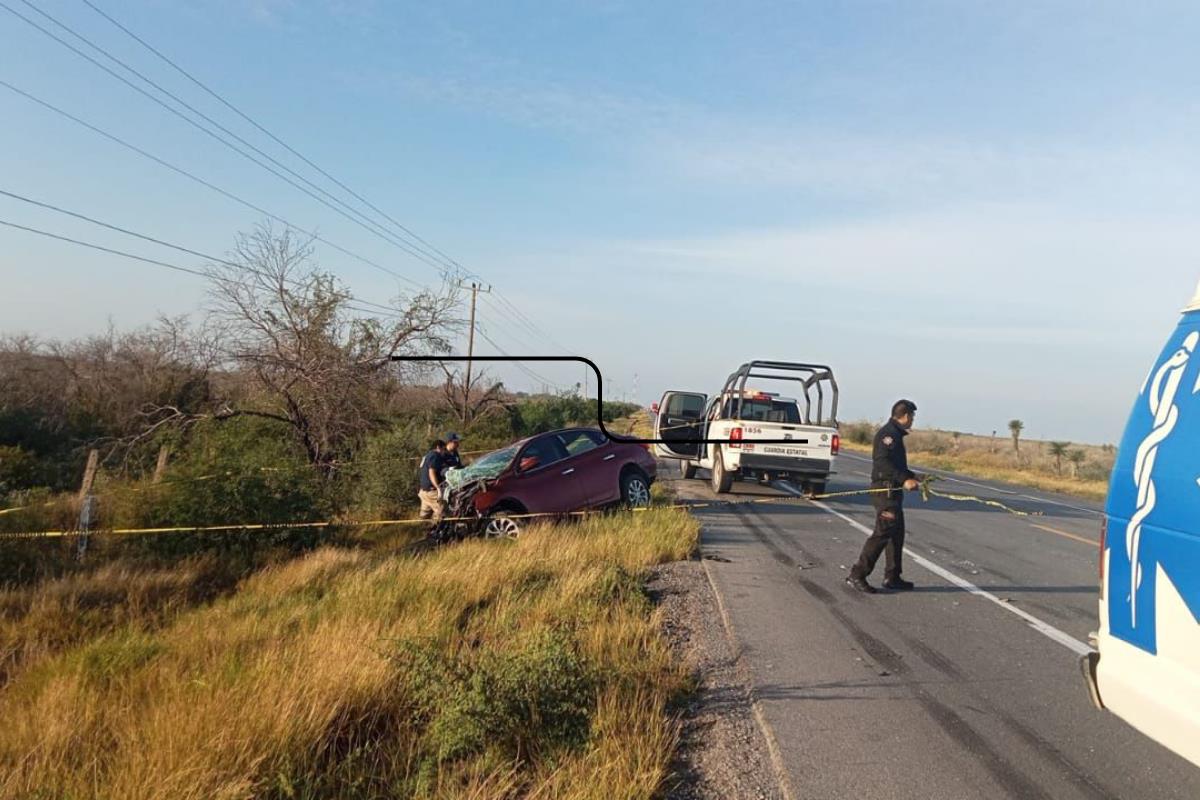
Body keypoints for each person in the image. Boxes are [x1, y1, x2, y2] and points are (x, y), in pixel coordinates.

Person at [847, 400, 922, 594]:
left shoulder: (896, 434)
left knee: (896, 534)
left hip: (893, 492)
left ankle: (893, 576)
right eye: (912, 417)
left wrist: (913, 476)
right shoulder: (888, 435)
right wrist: (904, 480)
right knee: (882, 533)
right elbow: (882, 463)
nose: (913, 421)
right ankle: (858, 574)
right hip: (885, 491)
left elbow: (896, 464)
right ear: (904, 416)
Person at [417, 439, 447, 523]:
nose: (444, 452)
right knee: (442, 514)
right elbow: (431, 472)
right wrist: (438, 488)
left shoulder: (426, 456)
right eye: (443, 449)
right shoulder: (435, 455)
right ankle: (437, 532)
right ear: (438, 447)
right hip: (432, 492)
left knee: (424, 516)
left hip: (423, 492)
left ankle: (421, 531)